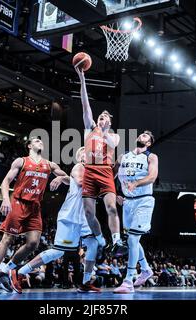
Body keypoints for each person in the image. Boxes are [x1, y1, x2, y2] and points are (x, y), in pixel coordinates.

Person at [0, 137, 68, 293]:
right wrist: (6, 200)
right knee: (7, 239)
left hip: (35, 207)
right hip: (18, 202)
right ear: (29, 146)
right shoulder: (21, 161)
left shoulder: (49, 165)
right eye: (36, 141)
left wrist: (62, 177)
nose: (40, 142)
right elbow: (5, 182)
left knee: (33, 243)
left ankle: (4, 271)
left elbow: (70, 181)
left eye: (41, 141)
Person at [15, 147, 101, 293]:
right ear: (81, 157)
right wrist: (63, 177)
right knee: (57, 252)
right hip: (70, 218)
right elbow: (79, 181)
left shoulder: (93, 171)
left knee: (93, 244)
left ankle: (85, 282)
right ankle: (21, 272)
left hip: (84, 219)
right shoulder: (79, 167)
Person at [75, 64, 127, 257]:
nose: (101, 118)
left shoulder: (114, 135)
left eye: (105, 117)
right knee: (89, 213)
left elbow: (112, 144)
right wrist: (82, 79)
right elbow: (85, 104)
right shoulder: (90, 129)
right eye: (100, 116)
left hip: (105, 171)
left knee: (111, 207)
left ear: (110, 122)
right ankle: (101, 240)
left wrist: (105, 130)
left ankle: (117, 242)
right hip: (89, 170)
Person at [113, 131, 158, 294]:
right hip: (127, 202)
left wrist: (136, 183)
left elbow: (152, 177)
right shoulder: (123, 156)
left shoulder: (151, 157)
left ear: (149, 143)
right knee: (133, 240)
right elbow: (111, 175)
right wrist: (115, 193)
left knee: (132, 239)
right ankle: (146, 270)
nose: (142, 136)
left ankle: (128, 280)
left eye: (146, 136)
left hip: (144, 200)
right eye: (141, 135)